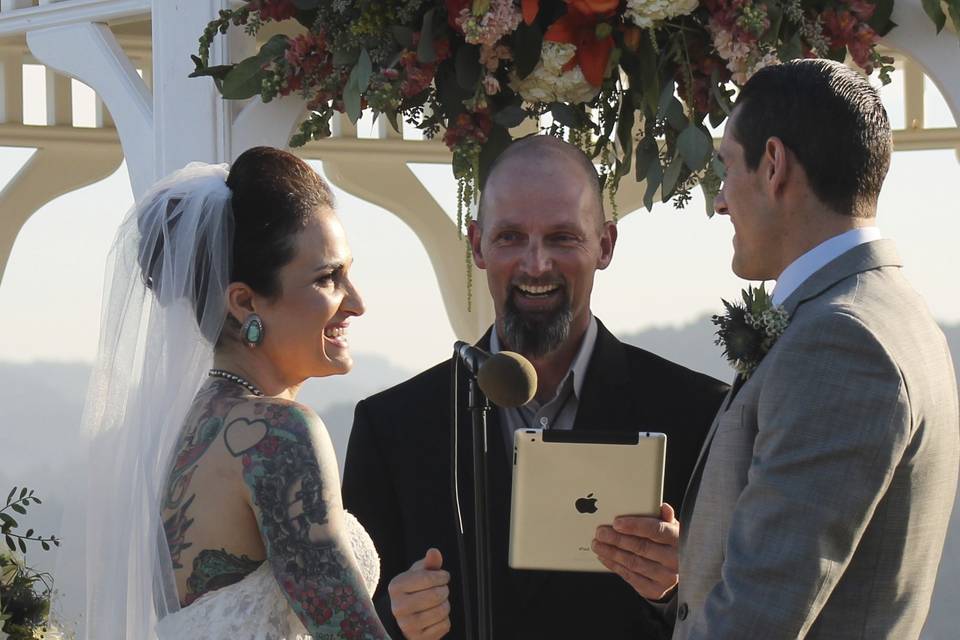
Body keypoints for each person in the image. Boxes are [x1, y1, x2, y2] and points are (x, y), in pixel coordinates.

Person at [619, 59, 957, 639]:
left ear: (773, 164)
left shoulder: (840, 343)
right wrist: (697, 561)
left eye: (726, 168)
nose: (720, 201)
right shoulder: (890, 311)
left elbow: (756, 620)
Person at [342, 136, 729, 639]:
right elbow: (350, 620)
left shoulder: (697, 413)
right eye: (510, 237)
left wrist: (676, 590)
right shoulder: (391, 427)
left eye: (562, 237)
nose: (535, 264)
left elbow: (744, 609)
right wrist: (393, 621)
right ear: (477, 244)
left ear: (605, 245)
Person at [79, 147, 391, 639]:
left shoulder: (179, 425)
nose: (356, 302)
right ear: (245, 302)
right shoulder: (277, 432)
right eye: (327, 278)